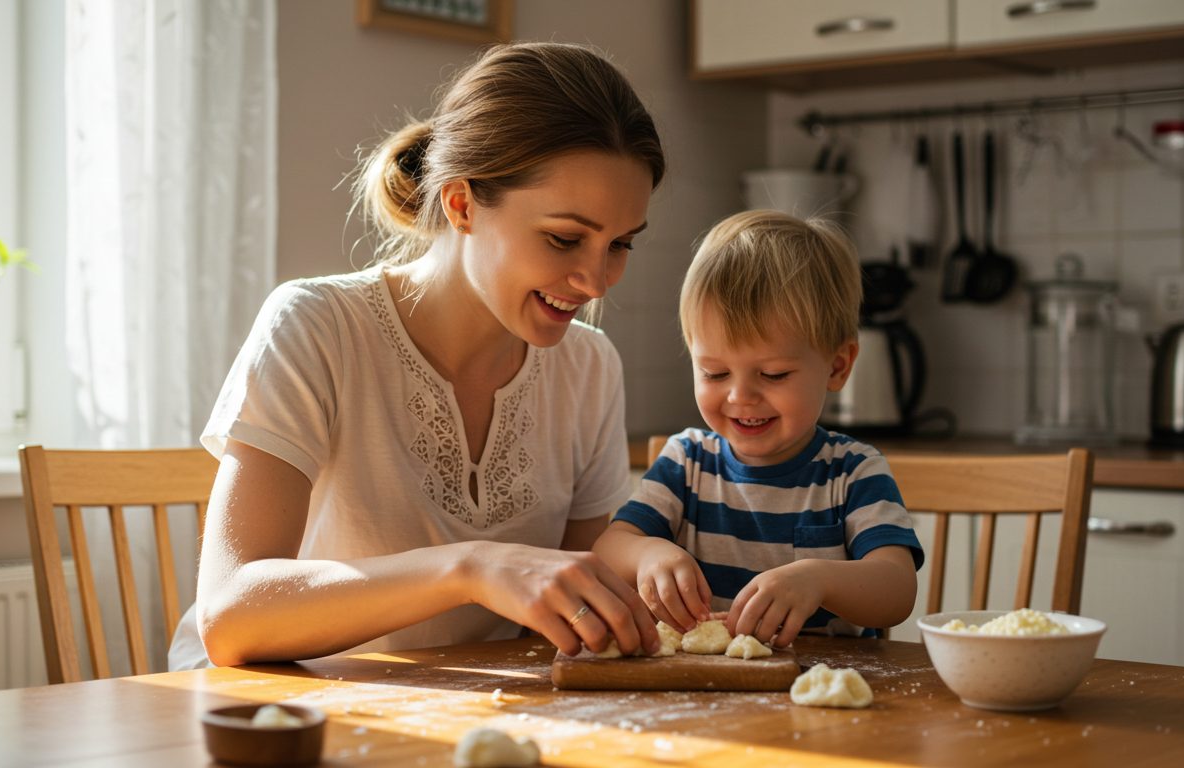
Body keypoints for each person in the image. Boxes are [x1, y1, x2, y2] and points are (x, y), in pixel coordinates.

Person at [169, 42, 666, 669]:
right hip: (276, 715)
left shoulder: (589, 368)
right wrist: (471, 566)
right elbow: (231, 618)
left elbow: (582, 609)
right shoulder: (317, 327)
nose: (596, 282)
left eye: (620, 244)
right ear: (460, 204)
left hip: (473, 714)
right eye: (564, 239)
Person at [592, 210, 923, 649]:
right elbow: (607, 551)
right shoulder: (686, 462)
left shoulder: (853, 472)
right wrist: (647, 553)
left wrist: (818, 579)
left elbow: (896, 591)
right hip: (704, 691)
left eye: (772, 375)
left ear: (837, 366)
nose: (740, 397)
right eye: (714, 373)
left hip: (821, 688)